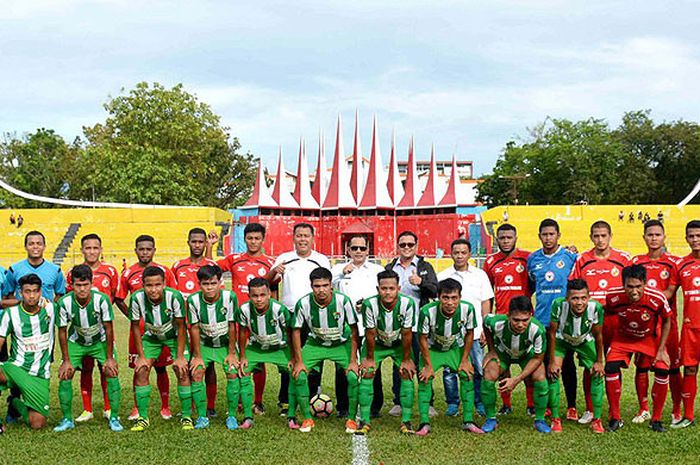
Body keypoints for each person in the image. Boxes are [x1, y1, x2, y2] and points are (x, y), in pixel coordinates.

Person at [207, 223, 276, 415]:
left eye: (257, 238)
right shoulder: (234, 259)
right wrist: (211, 246)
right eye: (250, 238)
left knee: (259, 361)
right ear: (244, 239)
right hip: (238, 320)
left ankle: (258, 401)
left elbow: (274, 290)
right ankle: (239, 399)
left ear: (263, 240)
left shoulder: (270, 263)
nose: (253, 242)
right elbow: (211, 269)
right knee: (238, 359)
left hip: (260, 319)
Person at [570, 220, 630, 425]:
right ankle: (589, 408)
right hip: (589, 321)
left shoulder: (623, 260)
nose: (600, 239)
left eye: (604, 235)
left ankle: (615, 410)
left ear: (610, 236)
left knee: (613, 364)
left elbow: (631, 289)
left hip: (615, 320)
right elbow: (572, 288)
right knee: (590, 365)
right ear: (591, 237)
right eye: (596, 236)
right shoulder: (583, 260)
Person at [268, 223, 330, 415]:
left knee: (313, 356)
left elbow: (328, 287)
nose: (302, 239)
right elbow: (268, 281)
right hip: (289, 313)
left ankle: (312, 396)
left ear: (313, 238)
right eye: (299, 235)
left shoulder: (321, 259)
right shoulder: (284, 258)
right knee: (290, 357)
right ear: (293, 238)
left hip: (314, 315)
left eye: (306, 236)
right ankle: (285, 400)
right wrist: (274, 271)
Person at [289, 267, 360, 433]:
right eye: (317, 286)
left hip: (341, 344)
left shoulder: (343, 301)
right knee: (298, 374)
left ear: (331, 286)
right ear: (311, 286)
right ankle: (307, 418)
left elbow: (354, 330)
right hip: (316, 344)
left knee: (352, 376)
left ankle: (351, 418)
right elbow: (296, 330)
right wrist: (298, 361)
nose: (321, 290)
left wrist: (353, 361)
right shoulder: (304, 303)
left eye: (325, 285)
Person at [115, 235, 177, 421]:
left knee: (161, 368)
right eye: (141, 249)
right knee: (139, 368)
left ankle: (165, 407)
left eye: (148, 249)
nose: (144, 252)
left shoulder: (164, 271)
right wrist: (134, 317)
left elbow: (174, 297)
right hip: (140, 332)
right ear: (136, 251)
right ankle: (136, 407)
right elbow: (118, 298)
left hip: (163, 329)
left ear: (154, 250)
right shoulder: (128, 274)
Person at [54, 265, 123, 432]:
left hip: (100, 341)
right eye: (78, 285)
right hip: (76, 342)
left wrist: (109, 358)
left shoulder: (102, 300)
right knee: (66, 374)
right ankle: (67, 419)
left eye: (86, 285)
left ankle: (114, 417)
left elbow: (108, 328)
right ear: (72, 285)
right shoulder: (64, 302)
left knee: (111, 372)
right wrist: (66, 360)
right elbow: (62, 332)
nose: (82, 289)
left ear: (91, 283)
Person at [604, 265, 671, 433]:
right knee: (610, 368)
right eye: (630, 286)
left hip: (648, 338)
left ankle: (656, 419)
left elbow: (667, 321)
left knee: (663, 370)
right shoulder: (613, 296)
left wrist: (661, 349)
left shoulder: (657, 297)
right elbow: (609, 312)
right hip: (623, 337)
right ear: (623, 284)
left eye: (638, 286)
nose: (634, 291)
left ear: (645, 284)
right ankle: (615, 418)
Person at [415, 278, 483, 436]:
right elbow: (423, 338)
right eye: (445, 298)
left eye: (454, 298)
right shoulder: (427, 311)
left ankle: (468, 421)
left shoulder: (468, 309)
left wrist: (465, 360)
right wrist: (427, 365)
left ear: (460, 297)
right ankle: (424, 423)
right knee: (425, 378)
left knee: (467, 375)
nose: (450, 302)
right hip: (433, 350)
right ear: (439, 297)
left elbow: (470, 333)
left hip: (455, 349)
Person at [527, 219, 580, 421]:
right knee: (547, 362)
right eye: (544, 234)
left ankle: (572, 406)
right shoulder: (533, 260)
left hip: (565, 321)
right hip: (542, 320)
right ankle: (550, 404)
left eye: (552, 234)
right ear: (539, 236)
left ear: (559, 235)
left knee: (566, 363)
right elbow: (532, 286)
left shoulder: (570, 257)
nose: (548, 238)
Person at [631, 220, 683, 425]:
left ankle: (676, 410)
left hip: (668, 322)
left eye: (657, 235)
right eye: (650, 234)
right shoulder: (636, 262)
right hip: (644, 324)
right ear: (644, 237)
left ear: (664, 237)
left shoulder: (673, 263)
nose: (654, 238)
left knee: (673, 366)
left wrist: (645, 297)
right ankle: (643, 408)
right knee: (642, 366)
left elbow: (670, 292)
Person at [129, 266, 192, 432]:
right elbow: (135, 327)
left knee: (182, 369)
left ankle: (186, 416)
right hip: (151, 337)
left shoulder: (175, 297)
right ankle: (143, 418)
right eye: (149, 285)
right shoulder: (136, 298)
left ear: (164, 284)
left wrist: (179, 356)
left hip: (173, 336)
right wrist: (141, 356)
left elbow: (181, 327)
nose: (153, 289)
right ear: (143, 285)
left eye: (158, 284)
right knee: (141, 370)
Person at [65, 233, 120, 424]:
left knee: (106, 368)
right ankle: (87, 409)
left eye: (95, 248)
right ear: (81, 250)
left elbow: (113, 296)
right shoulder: (73, 273)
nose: (92, 251)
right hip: (80, 331)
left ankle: (108, 408)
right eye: (87, 248)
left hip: (103, 330)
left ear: (101, 249)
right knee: (85, 369)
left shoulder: (110, 271)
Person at [383, 231, 438, 418]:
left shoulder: (424, 266)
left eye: (410, 244)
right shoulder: (391, 266)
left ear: (416, 246)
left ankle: (428, 402)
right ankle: (399, 401)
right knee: (399, 362)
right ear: (398, 246)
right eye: (403, 244)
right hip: (396, 325)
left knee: (422, 361)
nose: (407, 248)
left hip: (418, 324)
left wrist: (420, 282)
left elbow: (435, 290)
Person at [437, 238, 493, 417]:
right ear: (451, 254)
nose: (459, 256)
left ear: (470, 254)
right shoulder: (443, 276)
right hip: (450, 334)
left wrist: (485, 327)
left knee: (477, 368)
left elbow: (486, 301)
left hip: (475, 332)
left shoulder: (480, 275)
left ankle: (478, 402)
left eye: (463, 252)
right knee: (449, 370)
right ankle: (453, 403)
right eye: (456, 252)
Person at [357, 270, 417, 435]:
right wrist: (369, 358)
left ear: (398, 288)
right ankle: (365, 420)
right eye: (384, 289)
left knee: (406, 373)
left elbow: (407, 333)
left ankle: (406, 420)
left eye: (391, 288)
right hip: (376, 345)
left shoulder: (408, 304)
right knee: (368, 372)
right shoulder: (369, 304)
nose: (388, 292)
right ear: (378, 289)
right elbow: (370, 333)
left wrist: (406, 359)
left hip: (399, 344)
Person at [331, 234, 384, 417]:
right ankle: (343, 407)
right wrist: (341, 273)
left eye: (362, 248)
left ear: (368, 250)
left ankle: (375, 406)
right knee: (343, 367)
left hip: (370, 326)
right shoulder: (338, 268)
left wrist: (368, 304)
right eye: (354, 248)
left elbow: (384, 294)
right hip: (346, 327)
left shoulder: (377, 270)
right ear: (348, 250)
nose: (358, 252)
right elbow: (326, 289)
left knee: (371, 365)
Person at [480, 296, 550, 434]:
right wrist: (491, 350)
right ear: (508, 316)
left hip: (526, 355)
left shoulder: (538, 330)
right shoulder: (497, 323)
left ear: (531, 315)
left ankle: (540, 420)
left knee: (540, 376)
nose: (520, 324)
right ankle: (491, 419)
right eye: (516, 320)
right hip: (503, 353)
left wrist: (516, 380)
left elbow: (537, 359)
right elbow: (485, 323)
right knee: (489, 373)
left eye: (525, 320)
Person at [237, 277, 299, 430]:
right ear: (249, 296)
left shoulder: (280, 310)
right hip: (256, 347)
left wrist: (293, 357)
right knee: (243, 372)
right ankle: (247, 417)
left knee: (296, 373)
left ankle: (292, 416)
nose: (259, 299)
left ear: (269, 294)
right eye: (255, 296)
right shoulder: (244, 309)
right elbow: (242, 333)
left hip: (280, 347)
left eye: (262, 295)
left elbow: (290, 333)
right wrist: (243, 356)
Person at [483, 223, 531, 415]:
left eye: (509, 237)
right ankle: (506, 404)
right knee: (502, 366)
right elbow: (488, 292)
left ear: (515, 238)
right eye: (501, 238)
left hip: (523, 321)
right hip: (502, 322)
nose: (505, 241)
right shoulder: (491, 262)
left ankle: (531, 405)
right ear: (497, 239)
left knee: (527, 363)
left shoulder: (527, 258)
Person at [546, 279, 605, 433]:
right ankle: (555, 419)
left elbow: (598, 335)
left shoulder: (596, 307)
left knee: (597, 374)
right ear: (567, 298)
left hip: (584, 340)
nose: (579, 302)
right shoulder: (558, 305)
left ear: (589, 297)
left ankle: (597, 420)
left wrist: (599, 361)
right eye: (575, 298)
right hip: (562, 340)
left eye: (583, 298)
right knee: (553, 374)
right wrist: (552, 361)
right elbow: (552, 333)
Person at [0, 274, 56, 432]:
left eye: (35, 291)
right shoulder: (11, 314)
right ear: (20, 293)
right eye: (27, 291)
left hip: (39, 373)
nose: (31, 296)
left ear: (41, 292)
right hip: (16, 368)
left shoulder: (50, 309)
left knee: (37, 424)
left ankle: (15, 403)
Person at [171, 228, 218, 417]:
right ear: (188, 242)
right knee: (185, 363)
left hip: (207, 325)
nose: (197, 245)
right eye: (194, 241)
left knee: (209, 366)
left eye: (201, 242)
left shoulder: (212, 265)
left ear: (204, 243)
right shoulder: (178, 266)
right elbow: (173, 295)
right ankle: (190, 405)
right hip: (183, 325)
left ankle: (211, 406)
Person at [186, 265, 239, 430]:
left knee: (232, 372)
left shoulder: (229, 297)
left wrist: (231, 353)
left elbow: (232, 325)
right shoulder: (193, 300)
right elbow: (194, 328)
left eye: (213, 283)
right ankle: (202, 416)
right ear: (199, 284)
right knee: (197, 372)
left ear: (220, 282)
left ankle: (231, 416)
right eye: (205, 284)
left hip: (224, 345)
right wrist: (197, 355)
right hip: (204, 345)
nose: (209, 288)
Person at [671, 220, 700, 429]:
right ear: (686, 238)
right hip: (690, 329)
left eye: (699, 235)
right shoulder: (681, 264)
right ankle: (688, 416)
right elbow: (669, 293)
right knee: (689, 370)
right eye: (691, 236)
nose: (695, 240)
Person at [2, 230, 66, 307]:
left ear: (44, 247)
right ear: (25, 247)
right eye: (31, 244)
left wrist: (50, 307)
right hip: (23, 317)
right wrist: (21, 306)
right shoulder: (14, 269)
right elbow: (8, 295)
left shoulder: (56, 270)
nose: (35, 246)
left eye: (39, 244)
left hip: (46, 316)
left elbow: (60, 295)